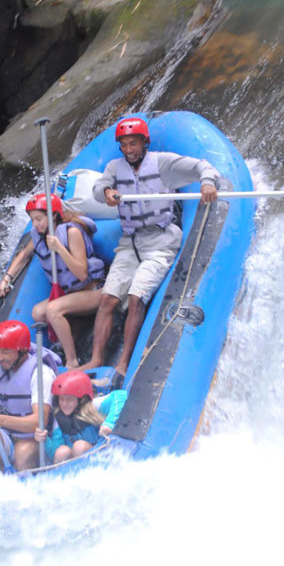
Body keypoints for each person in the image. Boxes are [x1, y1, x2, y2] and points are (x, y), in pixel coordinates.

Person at [81, 116, 220, 386]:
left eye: (133, 143)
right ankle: (96, 360)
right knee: (108, 299)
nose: (129, 149)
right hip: (130, 242)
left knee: (136, 297)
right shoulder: (115, 167)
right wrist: (107, 192)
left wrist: (208, 182)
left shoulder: (164, 163)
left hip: (160, 241)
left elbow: (203, 166)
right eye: (124, 145)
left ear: (145, 143)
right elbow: (99, 190)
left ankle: (122, 365)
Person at [0, 193, 105, 369]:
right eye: (33, 220)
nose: (36, 224)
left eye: (39, 218)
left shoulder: (72, 232)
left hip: (93, 291)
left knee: (52, 309)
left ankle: (71, 361)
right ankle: (67, 338)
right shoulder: (39, 235)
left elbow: (82, 274)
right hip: (70, 295)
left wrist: (60, 249)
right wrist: (6, 279)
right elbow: (24, 255)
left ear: (53, 214)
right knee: (37, 312)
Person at [0, 319, 60, 472]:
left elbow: (39, 422)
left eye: (5, 351)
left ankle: (26, 477)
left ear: (22, 350)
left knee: (22, 453)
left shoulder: (40, 374)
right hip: (7, 432)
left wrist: (2, 420)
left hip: (36, 436)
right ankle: (5, 470)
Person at [34, 370, 127, 463]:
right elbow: (55, 452)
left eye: (69, 399)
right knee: (61, 452)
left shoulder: (93, 406)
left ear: (81, 399)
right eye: (61, 399)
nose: (64, 404)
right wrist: (45, 441)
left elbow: (121, 396)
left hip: (102, 455)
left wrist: (109, 423)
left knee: (79, 447)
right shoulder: (59, 419)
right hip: (75, 464)